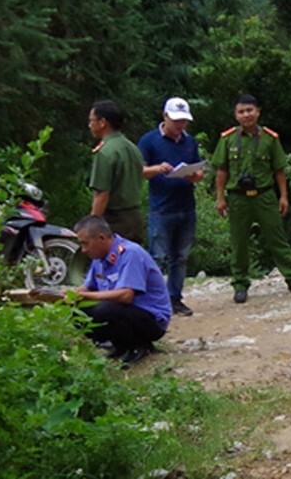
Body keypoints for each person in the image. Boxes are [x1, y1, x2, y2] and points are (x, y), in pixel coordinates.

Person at [211, 94, 291, 303]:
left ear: (258, 111)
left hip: (265, 196)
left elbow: (279, 170)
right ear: (236, 115)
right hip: (238, 198)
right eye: (241, 111)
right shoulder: (227, 139)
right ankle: (240, 284)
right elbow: (221, 170)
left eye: (249, 110)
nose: (246, 115)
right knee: (239, 243)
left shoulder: (269, 138)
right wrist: (220, 198)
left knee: (277, 238)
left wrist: (283, 196)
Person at [73, 215, 172, 365]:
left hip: (151, 318)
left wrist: (87, 296)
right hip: (126, 313)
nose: (84, 250)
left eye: (85, 244)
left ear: (101, 238)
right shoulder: (98, 259)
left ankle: (138, 346)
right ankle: (119, 344)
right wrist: (67, 295)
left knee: (105, 308)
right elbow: (88, 287)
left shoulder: (130, 253)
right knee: (75, 308)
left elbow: (126, 295)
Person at [138, 97, 204, 317]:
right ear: (165, 116)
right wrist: (158, 169)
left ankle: (175, 298)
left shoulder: (189, 141)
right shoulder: (149, 140)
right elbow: (139, 170)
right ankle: (154, 299)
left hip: (186, 206)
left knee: (181, 257)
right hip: (161, 208)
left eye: (184, 121)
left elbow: (200, 170)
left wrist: (194, 175)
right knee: (157, 256)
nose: (180, 125)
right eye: (176, 120)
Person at [87, 99, 145, 244]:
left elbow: (102, 194)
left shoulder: (105, 152)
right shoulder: (132, 148)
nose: (90, 125)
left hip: (114, 221)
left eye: (91, 120)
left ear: (102, 122)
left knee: (111, 264)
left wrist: (92, 226)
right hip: (135, 218)